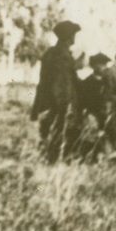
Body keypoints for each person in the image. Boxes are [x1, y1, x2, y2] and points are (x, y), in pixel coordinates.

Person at [30, 20, 83, 163]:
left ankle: (50, 160)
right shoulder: (61, 56)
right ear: (69, 36)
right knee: (57, 134)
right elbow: (62, 83)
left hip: (49, 101)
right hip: (58, 103)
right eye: (73, 34)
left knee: (50, 134)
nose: (74, 38)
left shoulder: (53, 53)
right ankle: (53, 163)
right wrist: (66, 107)